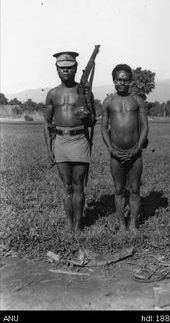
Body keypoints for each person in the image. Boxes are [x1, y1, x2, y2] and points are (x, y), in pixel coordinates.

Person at [44, 51, 96, 236]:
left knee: (78, 184)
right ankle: (69, 224)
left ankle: (78, 225)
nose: (66, 71)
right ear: (57, 69)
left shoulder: (85, 92)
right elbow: (47, 123)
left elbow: (92, 122)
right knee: (66, 185)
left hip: (80, 140)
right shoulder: (52, 94)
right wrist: (49, 148)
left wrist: (86, 114)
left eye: (69, 67)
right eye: (62, 68)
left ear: (75, 68)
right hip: (61, 141)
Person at [101, 64, 149, 233]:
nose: (122, 82)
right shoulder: (108, 102)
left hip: (135, 154)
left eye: (125, 80)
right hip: (116, 154)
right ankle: (122, 225)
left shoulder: (137, 101)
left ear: (130, 81)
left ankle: (134, 224)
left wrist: (138, 148)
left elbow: (144, 126)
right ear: (114, 80)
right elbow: (103, 129)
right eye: (119, 79)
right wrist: (111, 150)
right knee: (119, 190)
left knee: (135, 189)